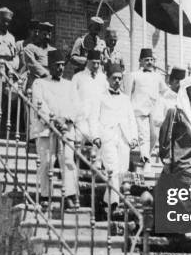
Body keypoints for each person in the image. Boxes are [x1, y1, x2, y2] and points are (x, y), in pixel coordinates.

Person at [154, 77, 191, 233]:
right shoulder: (175, 112)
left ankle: (188, 229)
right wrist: (167, 158)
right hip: (180, 160)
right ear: (185, 91)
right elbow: (166, 136)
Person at [30, 50, 80, 212]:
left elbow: (76, 106)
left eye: (62, 66)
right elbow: (39, 104)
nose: (60, 69)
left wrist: (64, 119)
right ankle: (45, 195)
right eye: (57, 66)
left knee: (68, 161)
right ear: (50, 66)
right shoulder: (40, 83)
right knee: (46, 162)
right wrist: (53, 120)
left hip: (65, 129)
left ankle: (69, 196)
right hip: (46, 129)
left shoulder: (69, 85)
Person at [89, 63, 138, 207]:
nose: (117, 81)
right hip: (107, 137)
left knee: (122, 171)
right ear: (108, 79)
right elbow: (93, 118)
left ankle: (106, 200)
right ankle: (114, 204)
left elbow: (131, 119)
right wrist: (96, 136)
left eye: (119, 78)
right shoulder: (100, 97)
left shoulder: (125, 99)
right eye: (114, 78)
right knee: (113, 170)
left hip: (123, 137)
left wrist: (134, 137)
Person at [127, 48, 168, 164]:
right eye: (146, 60)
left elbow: (165, 91)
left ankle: (146, 155)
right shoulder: (134, 75)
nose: (149, 62)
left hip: (153, 112)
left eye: (151, 60)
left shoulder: (157, 76)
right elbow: (127, 95)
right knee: (143, 135)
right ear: (140, 61)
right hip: (139, 111)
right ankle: (144, 157)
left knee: (154, 136)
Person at [72, 49, 108, 140]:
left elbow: (107, 98)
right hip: (81, 120)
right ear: (87, 62)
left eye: (98, 63)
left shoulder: (103, 78)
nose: (96, 66)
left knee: (97, 148)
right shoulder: (78, 77)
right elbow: (72, 98)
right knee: (78, 146)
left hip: (97, 121)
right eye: (93, 63)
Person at [24, 22, 56, 90]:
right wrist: (46, 75)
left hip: (50, 84)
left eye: (49, 35)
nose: (47, 37)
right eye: (44, 34)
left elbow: (57, 67)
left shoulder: (54, 50)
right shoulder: (30, 47)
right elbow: (32, 64)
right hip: (35, 82)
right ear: (39, 33)